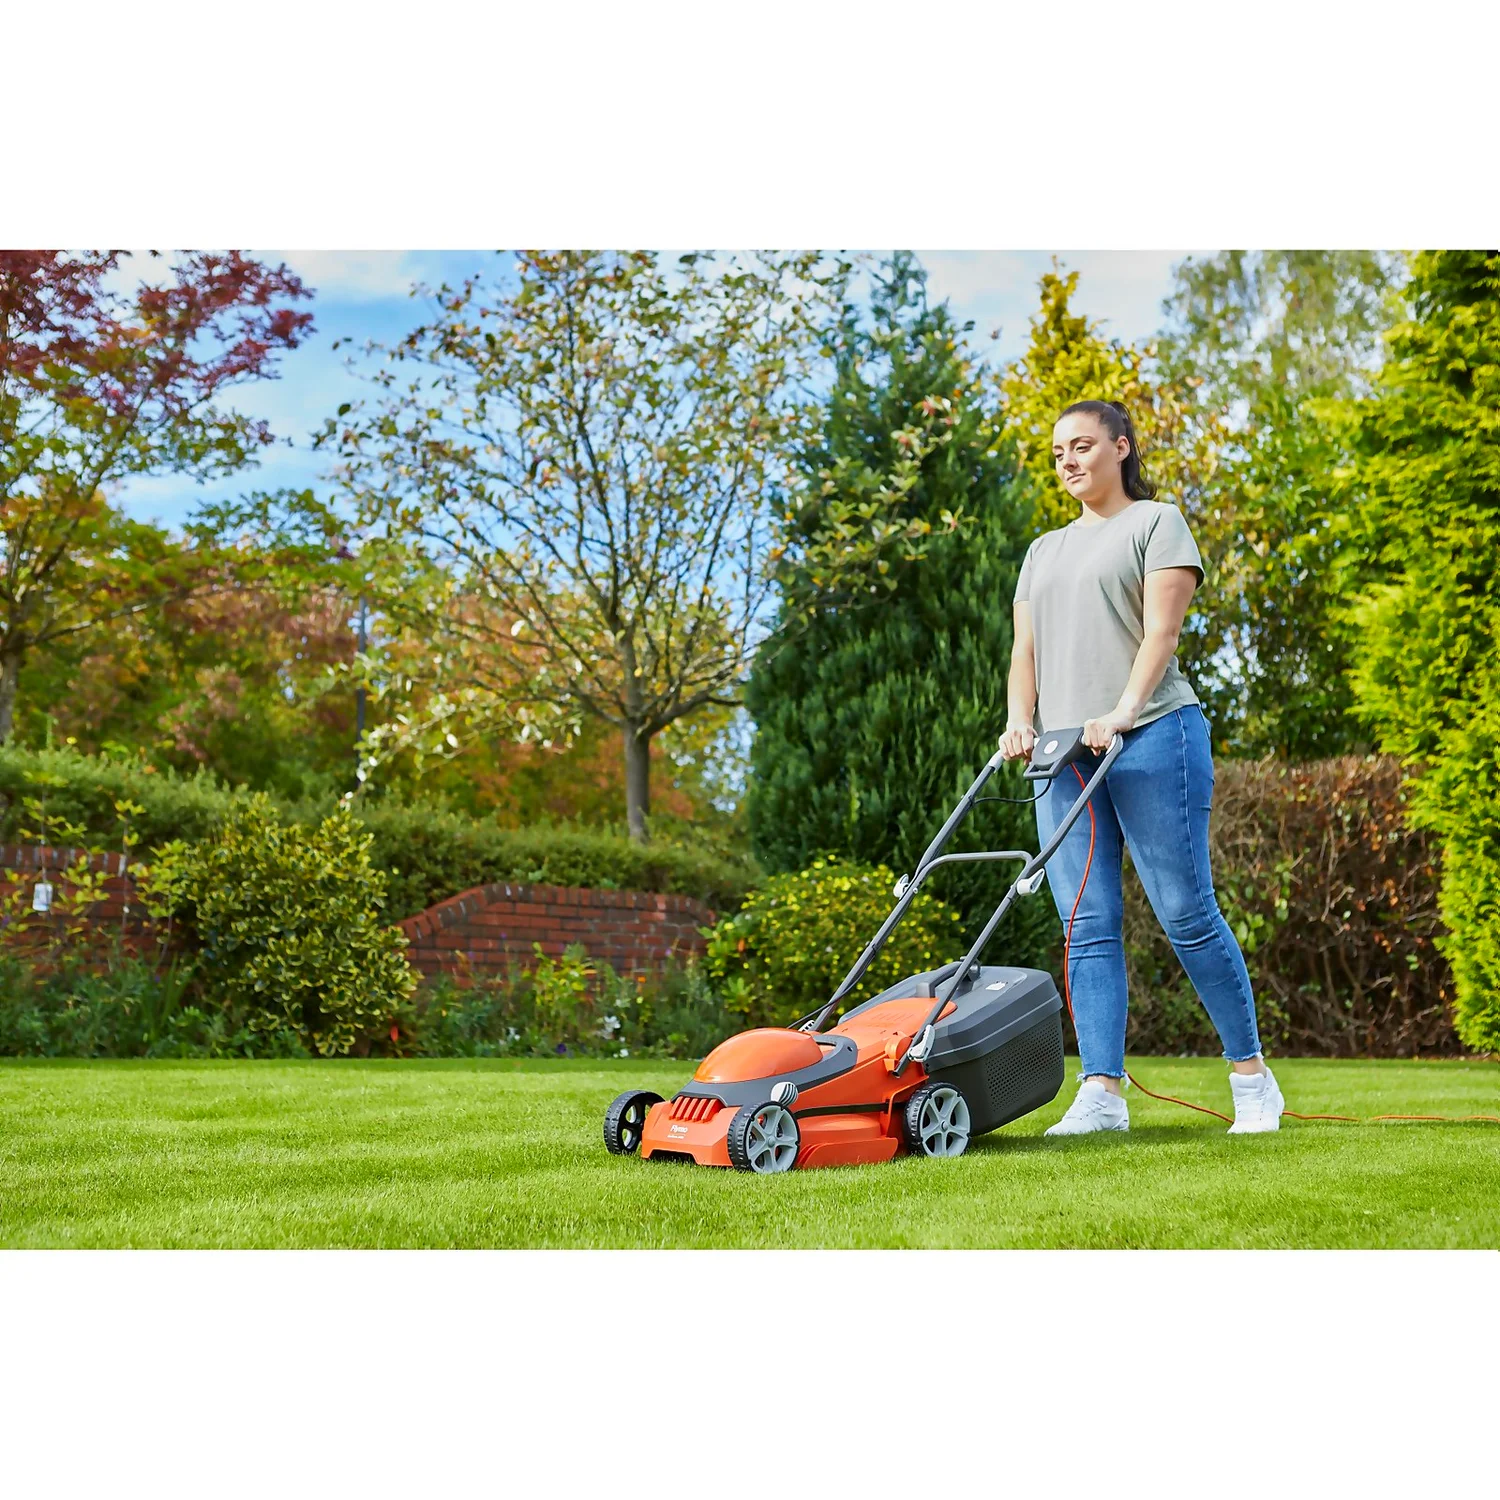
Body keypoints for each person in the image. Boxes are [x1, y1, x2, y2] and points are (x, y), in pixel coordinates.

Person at [998, 399, 1284, 1136]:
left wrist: (1124, 709)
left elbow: (1163, 631)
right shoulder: (1043, 551)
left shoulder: (1157, 523)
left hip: (1153, 734)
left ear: (1120, 447)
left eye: (1082, 445)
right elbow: (1025, 652)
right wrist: (1020, 720)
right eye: (1058, 451)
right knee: (1084, 924)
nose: (1067, 460)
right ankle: (1102, 1092)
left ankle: (1252, 1078)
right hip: (1063, 755)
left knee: (1186, 912)